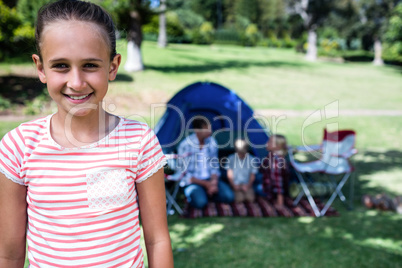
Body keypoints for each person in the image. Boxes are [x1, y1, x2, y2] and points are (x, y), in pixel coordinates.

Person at [0, 1, 173, 267]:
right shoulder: (18, 147)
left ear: (113, 67)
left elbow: (157, 240)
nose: (77, 82)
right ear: (40, 67)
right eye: (60, 66)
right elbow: (9, 254)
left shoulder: (139, 141)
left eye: (90, 65)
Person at [177, 116, 234, 209]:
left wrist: (214, 182)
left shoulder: (212, 142)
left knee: (229, 196)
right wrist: (206, 184)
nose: (210, 131)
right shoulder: (185, 145)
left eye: (210, 128)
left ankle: (208, 193)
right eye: (206, 129)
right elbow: (183, 173)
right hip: (194, 182)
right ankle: (202, 195)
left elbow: (214, 166)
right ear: (197, 130)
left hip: (210, 179)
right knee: (200, 203)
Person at [259, 134, 290, 207]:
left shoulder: (276, 161)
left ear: (277, 146)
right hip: (267, 180)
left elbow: (278, 181)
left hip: (269, 187)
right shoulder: (271, 155)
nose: (267, 143)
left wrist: (280, 201)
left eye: (269, 142)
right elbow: (262, 168)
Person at [225, 139, 258, 203]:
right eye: (239, 153)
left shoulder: (252, 159)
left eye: (242, 153)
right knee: (239, 199)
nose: (240, 155)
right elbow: (229, 173)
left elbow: (252, 175)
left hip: (246, 184)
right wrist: (233, 185)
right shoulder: (231, 158)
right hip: (236, 184)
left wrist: (248, 185)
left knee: (250, 199)